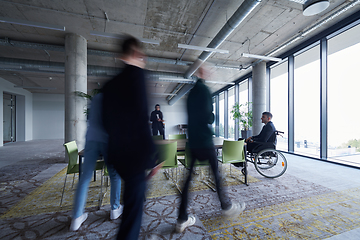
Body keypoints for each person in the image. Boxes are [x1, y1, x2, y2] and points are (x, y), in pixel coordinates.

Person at [176, 66, 246, 233]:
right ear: (203, 73)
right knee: (216, 173)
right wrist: (212, 116)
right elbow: (208, 116)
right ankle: (227, 206)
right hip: (204, 140)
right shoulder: (205, 90)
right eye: (208, 70)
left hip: (192, 141)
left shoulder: (190, 94)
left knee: (187, 180)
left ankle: (181, 218)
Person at [102, 36, 158, 240]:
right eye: (142, 55)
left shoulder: (109, 85)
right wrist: (154, 157)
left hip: (117, 154)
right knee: (133, 212)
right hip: (135, 156)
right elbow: (141, 119)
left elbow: (105, 122)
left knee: (132, 204)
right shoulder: (138, 76)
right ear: (136, 53)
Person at [70, 92, 122, 231]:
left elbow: (90, 118)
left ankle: (76, 217)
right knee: (115, 176)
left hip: (91, 139)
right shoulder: (115, 97)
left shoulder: (97, 98)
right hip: (108, 140)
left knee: (85, 178)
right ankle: (115, 209)